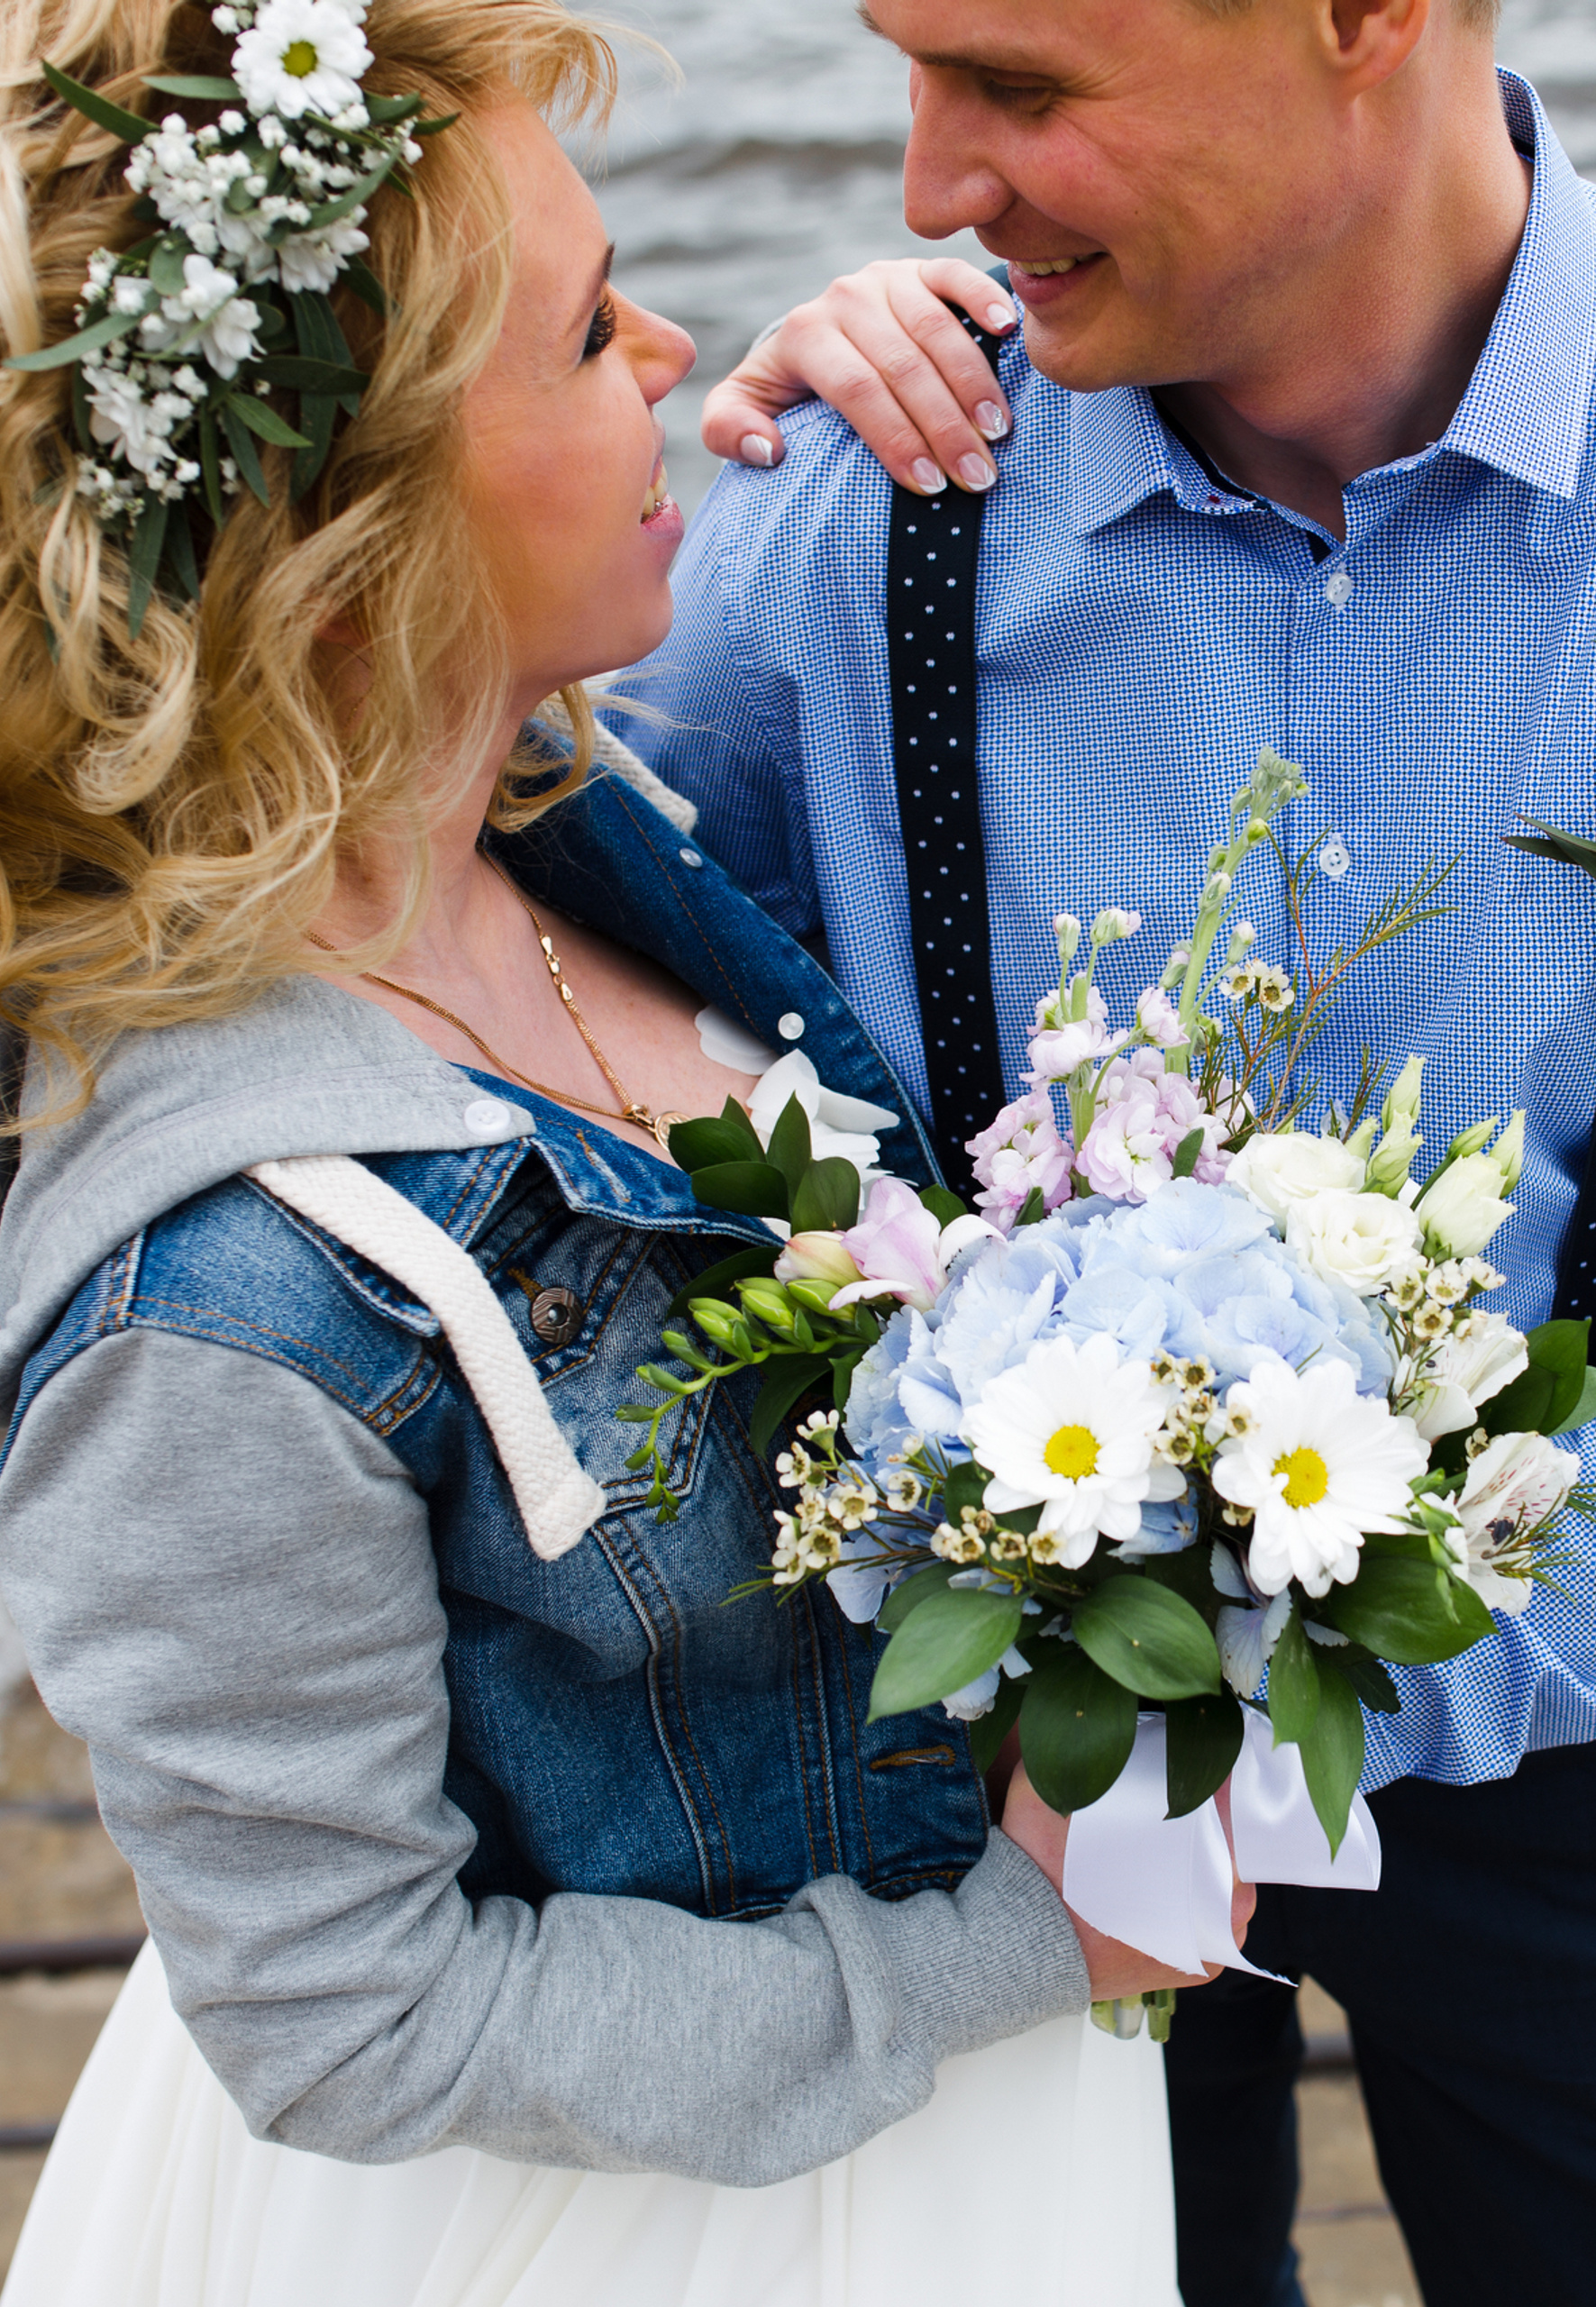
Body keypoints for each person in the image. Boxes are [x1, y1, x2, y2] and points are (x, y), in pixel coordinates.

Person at [619, 0, 1596, 2300]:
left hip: (1574, 1690)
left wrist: (1262, 1705)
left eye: (1015, 86)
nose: (922, 186)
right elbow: (598, 1039)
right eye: (906, 71)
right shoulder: (858, 478)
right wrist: (655, 489)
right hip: (981, 1748)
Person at [0, 3, 1238, 2301]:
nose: (677, 343)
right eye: (585, 331)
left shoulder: (571, 825)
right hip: (616, 2228)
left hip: (940, 2137)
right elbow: (349, 2016)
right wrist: (1010, 1943)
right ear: (349, 543)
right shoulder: (215, 1307)